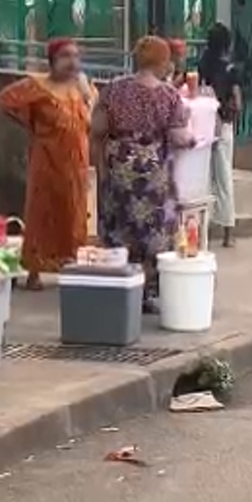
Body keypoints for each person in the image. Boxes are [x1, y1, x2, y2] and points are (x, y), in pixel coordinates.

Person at [93, 37, 198, 310]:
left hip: (119, 171)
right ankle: (147, 292)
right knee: (155, 233)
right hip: (154, 178)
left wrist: (102, 169)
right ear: (163, 62)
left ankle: (118, 288)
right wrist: (191, 138)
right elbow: (177, 136)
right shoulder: (169, 96)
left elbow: (97, 132)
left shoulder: (113, 90)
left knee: (119, 228)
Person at [0, 38, 95, 290]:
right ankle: (34, 271)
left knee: (74, 214)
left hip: (77, 163)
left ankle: (72, 265)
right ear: (52, 61)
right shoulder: (37, 86)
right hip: (47, 160)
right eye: (65, 56)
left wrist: (87, 97)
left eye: (75, 56)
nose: (72, 62)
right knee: (42, 213)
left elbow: (94, 120)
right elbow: (4, 101)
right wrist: (30, 124)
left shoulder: (84, 88)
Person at [196, 23, 241, 248]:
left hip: (203, 124)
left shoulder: (202, 64)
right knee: (224, 178)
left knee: (203, 179)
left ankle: (201, 232)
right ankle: (228, 234)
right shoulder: (230, 67)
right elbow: (237, 100)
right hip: (223, 125)